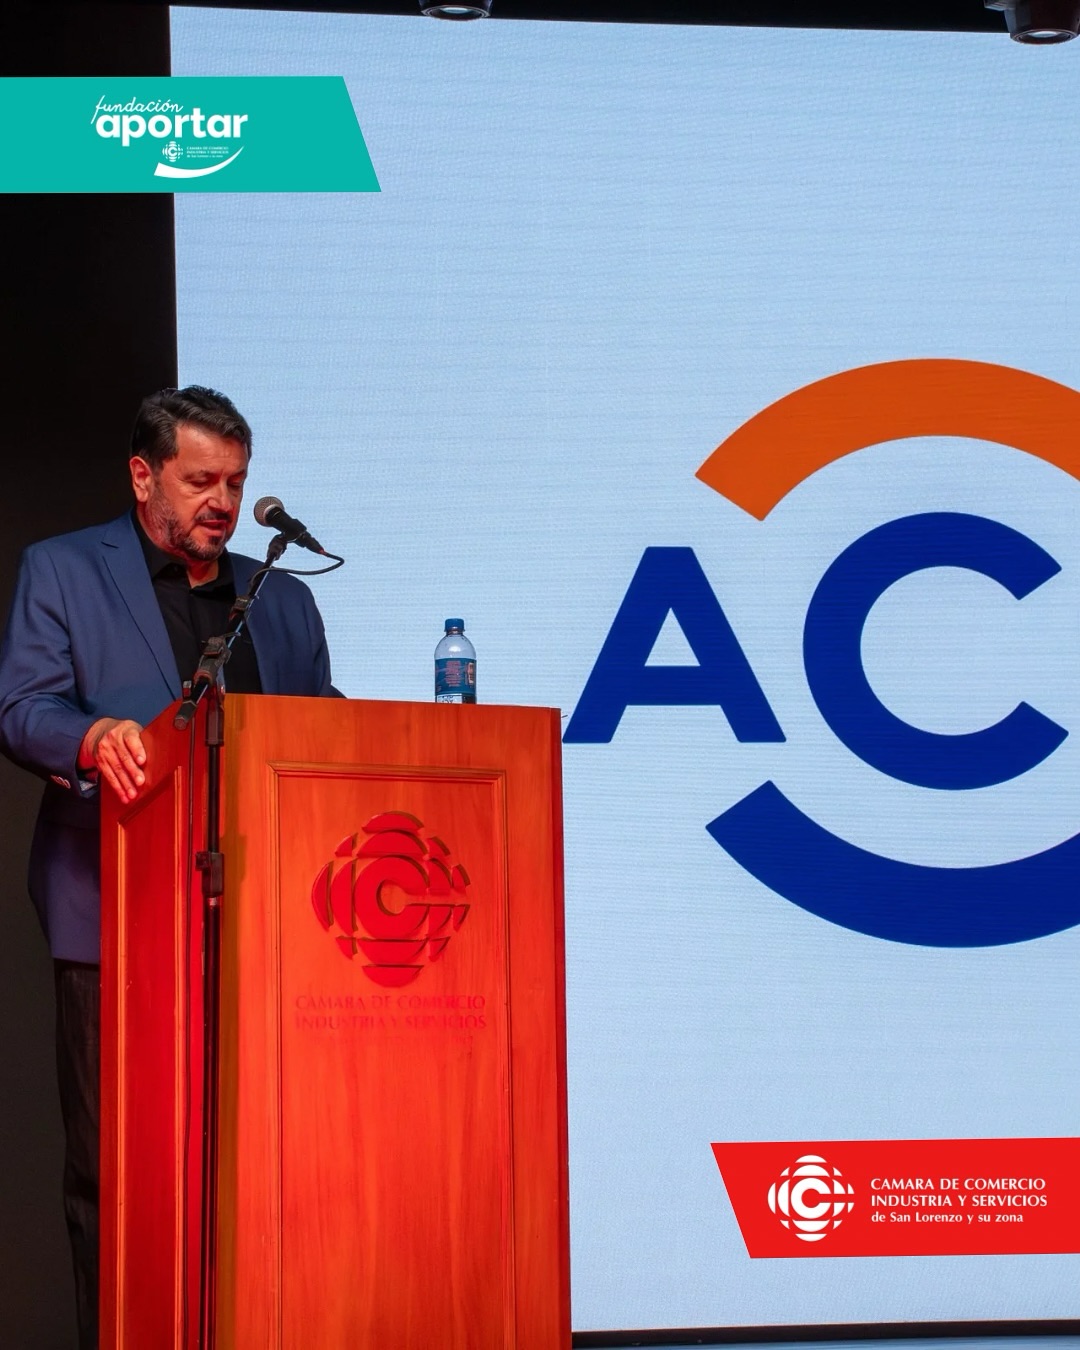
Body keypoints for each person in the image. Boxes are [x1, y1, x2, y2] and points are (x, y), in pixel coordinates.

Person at [0, 386, 338, 1350]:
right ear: (143, 476)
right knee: (117, 1173)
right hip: (116, 914)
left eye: (235, 482)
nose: (222, 504)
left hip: (265, 928)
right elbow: (23, 707)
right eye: (200, 481)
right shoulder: (65, 569)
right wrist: (90, 737)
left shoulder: (283, 598)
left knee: (261, 1165)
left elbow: (319, 732)